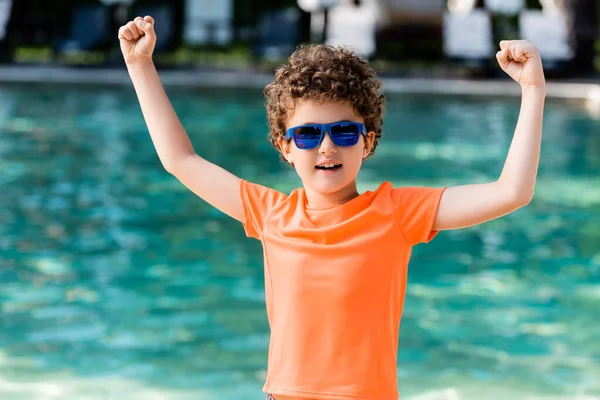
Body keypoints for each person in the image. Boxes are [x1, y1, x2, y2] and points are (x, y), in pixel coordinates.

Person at [118, 15, 545, 400]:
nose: (326, 146)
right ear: (285, 147)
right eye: (307, 134)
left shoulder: (398, 212)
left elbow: (512, 192)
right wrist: (140, 66)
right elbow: (181, 160)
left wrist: (533, 91)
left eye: (343, 131)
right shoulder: (270, 213)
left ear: (368, 141)